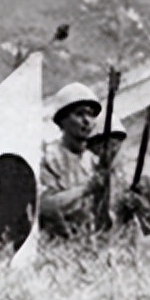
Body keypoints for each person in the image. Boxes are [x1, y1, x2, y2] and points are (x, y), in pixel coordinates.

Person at [37, 83, 103, 237]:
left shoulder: (95, 162)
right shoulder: (48, 158)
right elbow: (45, 206)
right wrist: (86, 188)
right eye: (79, 114)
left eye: (91, 115)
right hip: (56, 240)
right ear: (62, 120)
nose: (87, 121)